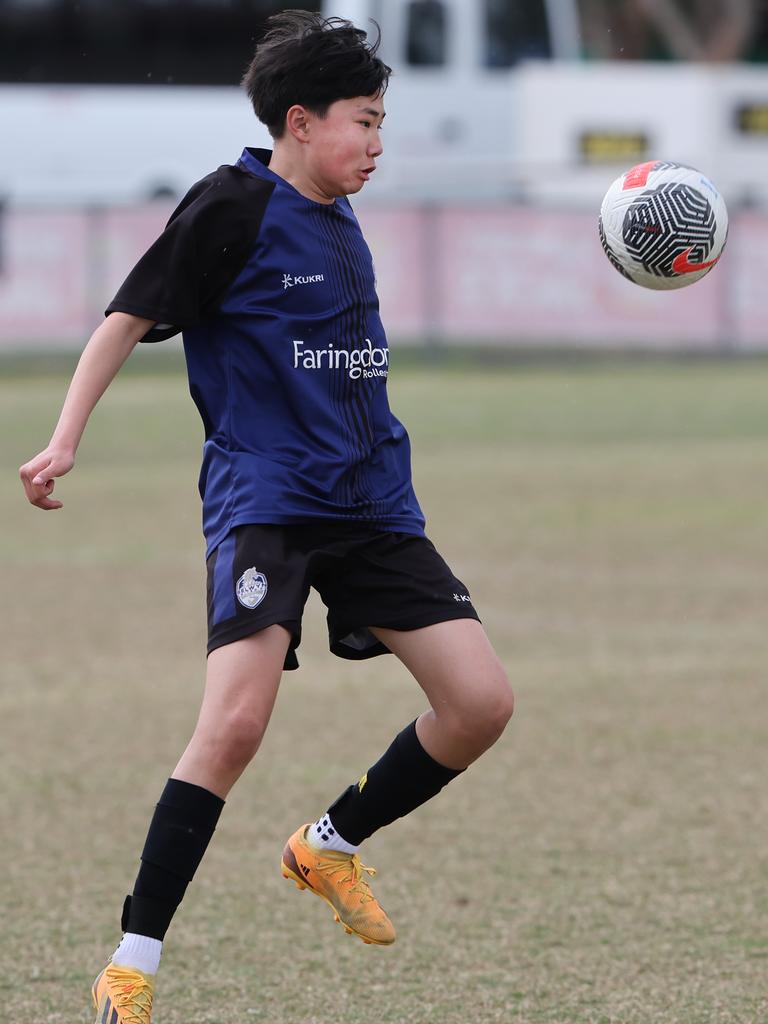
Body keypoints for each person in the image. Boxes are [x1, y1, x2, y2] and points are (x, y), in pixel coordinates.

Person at [19, 12, 514, 1024]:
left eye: (383, 126)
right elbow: (125, 315)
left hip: (373, 501)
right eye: (365, 123)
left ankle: (327, 844)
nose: (380, 145)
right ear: (300, 121)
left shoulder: (340, 215)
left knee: (481, 705)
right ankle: (132, 961)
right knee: (235, 724)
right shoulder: (233, 204)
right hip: (267, 500)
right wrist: (66, 435)